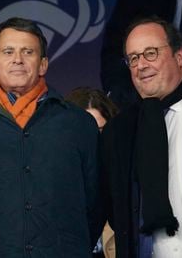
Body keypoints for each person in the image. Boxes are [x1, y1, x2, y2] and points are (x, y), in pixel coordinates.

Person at [0, 17, 102, 258]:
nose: (18, 59)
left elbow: (96, 203)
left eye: (28, 51)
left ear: (43, 64)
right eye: (8, 52)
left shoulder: (79, 124)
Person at [101, 15, 182, 258]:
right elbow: (115, 209)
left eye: (150, 53)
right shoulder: (118, 131)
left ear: (180, 56)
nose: (141, 65)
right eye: (133, 58)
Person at [65, 87, 118, 258]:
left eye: (100, 131)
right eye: (85, 133)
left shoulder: (123, 183)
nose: (93, 141)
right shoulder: (52, 188)